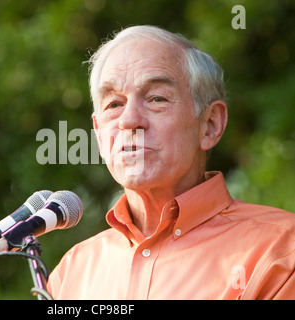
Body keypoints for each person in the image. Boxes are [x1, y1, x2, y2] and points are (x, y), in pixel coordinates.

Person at [46, 25, 295, 299]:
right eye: (114, 105)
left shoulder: (281, 250)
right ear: (99, 134)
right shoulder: (71, 273)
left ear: (210, 125)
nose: (129, 121)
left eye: (156, 99)